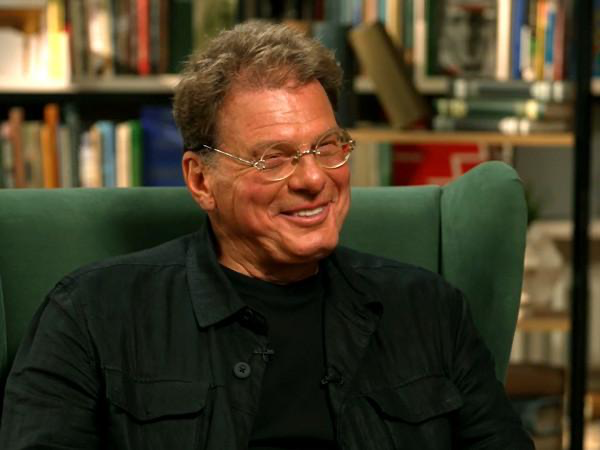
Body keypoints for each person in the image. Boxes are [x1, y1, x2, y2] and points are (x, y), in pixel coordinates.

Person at [0, 21, 533, 449]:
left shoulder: (430, 311)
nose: (313, 179)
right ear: (200, 180)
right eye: (273, 158)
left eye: (327, 147)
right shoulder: (91, 314)